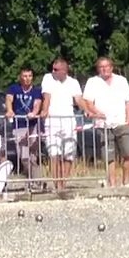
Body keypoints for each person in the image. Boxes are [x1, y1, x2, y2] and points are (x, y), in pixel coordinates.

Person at [82, 56, 129, 187]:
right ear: (98, 69)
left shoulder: (121, 80)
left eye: (107, 66)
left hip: (121, 122)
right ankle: (112, 183)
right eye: (101, 67)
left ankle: (126, 181)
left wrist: (128, 119)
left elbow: (128, 100)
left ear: (112, 67)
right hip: (103, 124)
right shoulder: (93, 81)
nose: (104, 69)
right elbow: (88, 101)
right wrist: (97, 113)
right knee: (109, 156)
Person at [39, 57, 85, 190]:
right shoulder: (48, 78)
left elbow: (79, 100)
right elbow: (46, 97)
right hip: (52, 120)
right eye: (53, 68)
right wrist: (44, 110)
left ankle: (63, 182)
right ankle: (56, 183)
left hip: (68, 120)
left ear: (65, 70)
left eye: (56, 69)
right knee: (54, 153)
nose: (53, 71)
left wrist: (88, 110)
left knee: (69, 154)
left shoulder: (73, 82)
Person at [4, 66, 43, 188]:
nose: (27, 79)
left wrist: (34, 113)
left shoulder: (36, 91)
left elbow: (37, 104)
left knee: (32, 156)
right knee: (24, 156)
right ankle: (34, 180)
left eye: (30, 76)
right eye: (25, 76)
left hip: (33, 125)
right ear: (20, 77)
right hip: (19, 125)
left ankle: (36, 182)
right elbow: (9, 100)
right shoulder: (14, 88)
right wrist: (10, 110)